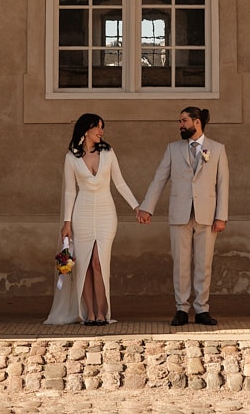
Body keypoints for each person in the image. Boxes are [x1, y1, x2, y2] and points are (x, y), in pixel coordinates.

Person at [137, 106, 228, 327]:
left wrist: (221, 216)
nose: (180, 125)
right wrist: (147, 207)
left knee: (204, 263)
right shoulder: (173, 149)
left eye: (184, 121)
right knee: (181, 263)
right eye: (180, 121)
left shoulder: (217, 149)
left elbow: (223, 184)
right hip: (179, 213)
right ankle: (181, 308)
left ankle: (202, 309)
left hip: (207, 214)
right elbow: (159, 179)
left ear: (197, 122)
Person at [52, 113, 140, 327]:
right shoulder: (71, 157)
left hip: (106, 213)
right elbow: (70, 192)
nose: (101, 131)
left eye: (102, 127)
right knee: (84, 265)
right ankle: (89, 314)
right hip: (81, 213)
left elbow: (120, 184)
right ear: (86, 129)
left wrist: (137, 207)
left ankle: (103, 313)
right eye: (97, 127)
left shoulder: (108, 153)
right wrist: (67, 222)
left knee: (99, 263)